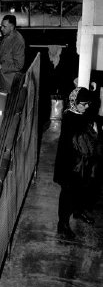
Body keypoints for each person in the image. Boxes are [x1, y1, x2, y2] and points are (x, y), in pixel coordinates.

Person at [53, 86, 99, 240]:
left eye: (88, 104)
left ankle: (78, 211)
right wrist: (92, 131)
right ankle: (63, 224)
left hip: (81, 163)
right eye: (83, 104)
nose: (86, 107)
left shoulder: (82, 114)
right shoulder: (69, 117)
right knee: (67, 193)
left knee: (82, 188)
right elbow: (81, 141)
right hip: (70, 163)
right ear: (74, 102)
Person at [0, 14, 25, 93]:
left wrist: (1, 66)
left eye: (4, 26)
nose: (1, 28)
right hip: (2, 80)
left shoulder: (17, 40)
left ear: (12, 27)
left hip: (10, 83)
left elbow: (19, 66)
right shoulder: (7, 36)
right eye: (1, 26)